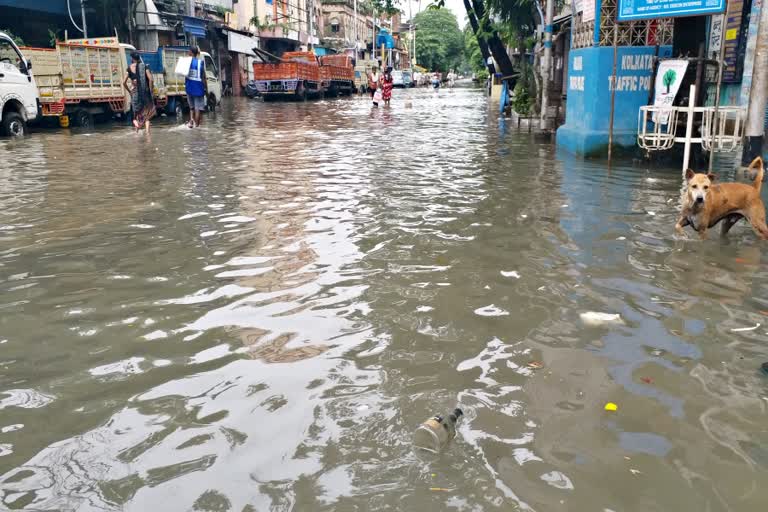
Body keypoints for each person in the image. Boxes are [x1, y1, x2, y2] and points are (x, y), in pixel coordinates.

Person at [123, 52, 156, 133]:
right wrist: (150, 90)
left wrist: (130, 91)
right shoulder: (145, 66)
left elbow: (124, 82)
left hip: (135, 94)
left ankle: (137, 132)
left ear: (133, 59)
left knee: (137, 114)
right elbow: (151, 79)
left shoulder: (129, 68)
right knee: (147, 115)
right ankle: (148, 134)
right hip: (145, 94)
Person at [185, 46, 208, 128]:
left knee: (191, 108)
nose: (188, 52)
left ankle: (191, 122)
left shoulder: (186, 62)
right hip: (198, 89)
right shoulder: (200, 63)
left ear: (191, 52)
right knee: (197, 109)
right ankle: (197, 127)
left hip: (189, 88)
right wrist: (206, 89)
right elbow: (203, 77)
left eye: (189, 51)